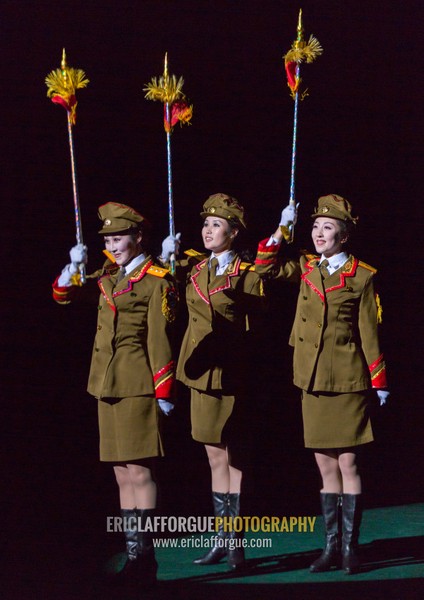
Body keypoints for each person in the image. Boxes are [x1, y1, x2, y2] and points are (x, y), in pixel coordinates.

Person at [255, 194, 389, 575]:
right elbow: (264, 267)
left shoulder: (362, 276)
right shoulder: (306, 267)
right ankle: (331, 548)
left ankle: (350, 549)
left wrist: (379, 380)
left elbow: (369, 330)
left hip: (346, 378)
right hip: (311, 378)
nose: (318, 233)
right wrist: (282, 229)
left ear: (344, 236)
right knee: (324, 467)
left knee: (347, 462)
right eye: (315, 226)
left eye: (327, 227)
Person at [52, 202, 177, 584]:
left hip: (138, 385)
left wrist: (163, 389)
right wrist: (71, 270)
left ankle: (147, 559)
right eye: (108, 238)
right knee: (122, 475)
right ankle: (133, 554)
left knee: (140, 473)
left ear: (138, 238)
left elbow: (160, 338)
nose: (113, 244)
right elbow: (63, 297)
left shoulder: (157, 279)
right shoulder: (108, 277)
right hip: (106, 384)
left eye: (119, 237)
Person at [161, 193, 266, 570]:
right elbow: (165, 295)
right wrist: (165, 257)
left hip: (232, 375)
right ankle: (221, 540)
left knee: (233, 460)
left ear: (234, 232)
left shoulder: (248, 273)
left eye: (217, 224)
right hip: (200, 374)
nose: (207, 230)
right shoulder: (193, 268)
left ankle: (236, 544)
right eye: (205, 223)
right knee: (213, 460)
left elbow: (259, 323)